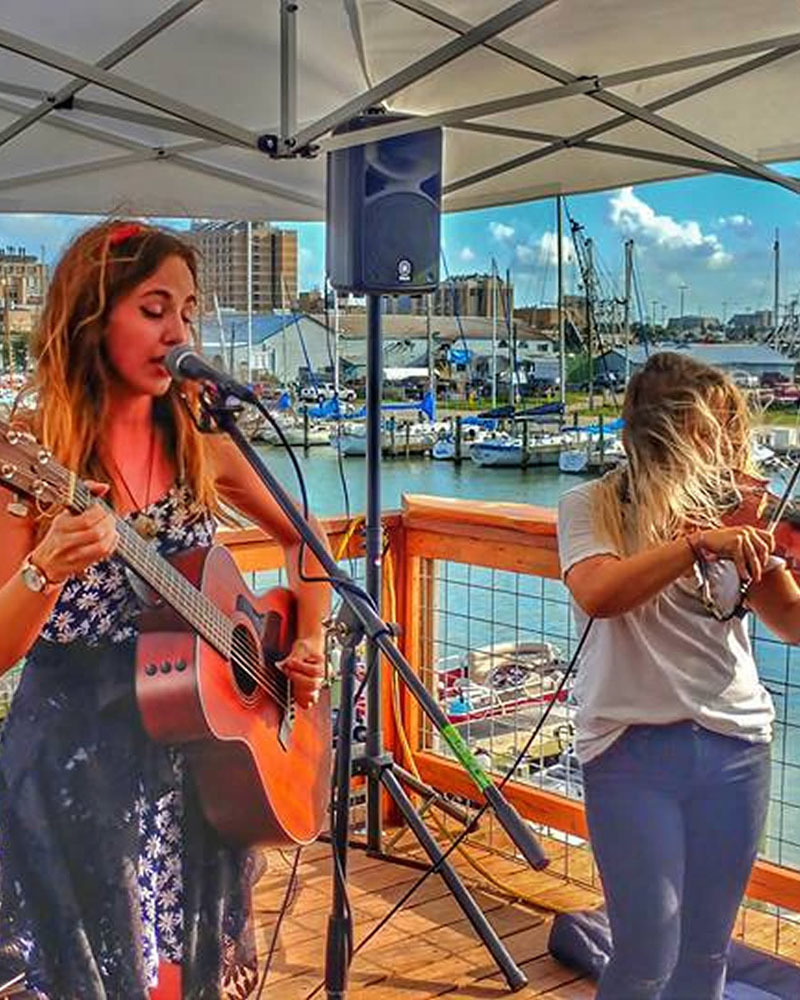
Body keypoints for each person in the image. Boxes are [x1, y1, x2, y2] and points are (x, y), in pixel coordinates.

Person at [0, 220, 331, 999]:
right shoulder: (32, 449)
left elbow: (310, 544)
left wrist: (306, 638)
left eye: (186, 310)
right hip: (78, 768)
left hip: (196, 760)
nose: (177, 330)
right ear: (92, 315)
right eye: (154, 308)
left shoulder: (199, 440)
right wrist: (45, 569)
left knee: (188, 979)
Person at [558, 351, 800, 1000]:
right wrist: (696, 545)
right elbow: (601, 593)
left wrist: (769, 558)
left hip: (737, 745)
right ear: (666, 433)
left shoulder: (739, 512)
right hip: (630, 748)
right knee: (645, 948)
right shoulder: (593, 505)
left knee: (706, 950)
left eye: (732, 432)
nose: (729, 449)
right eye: (712, 432)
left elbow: (792, 624)